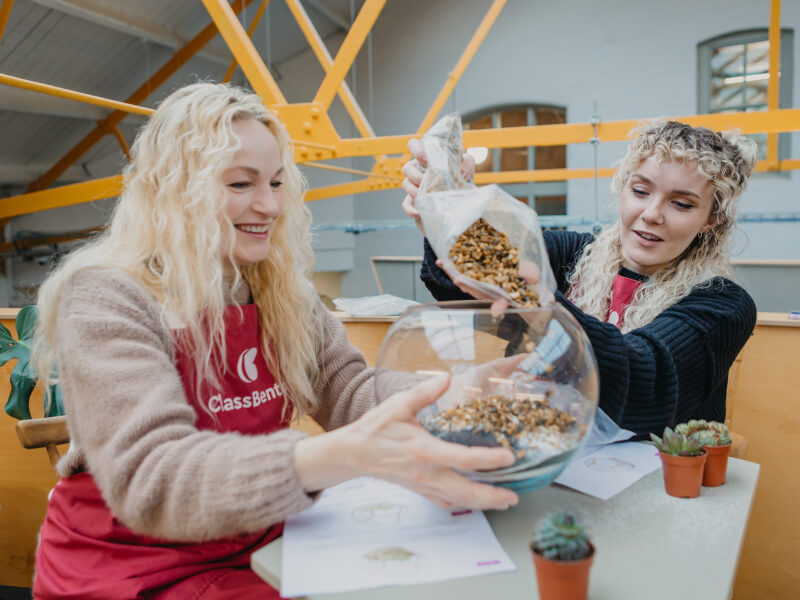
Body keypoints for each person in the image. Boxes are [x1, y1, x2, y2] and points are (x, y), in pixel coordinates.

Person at [31, 83, 518, 600]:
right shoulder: (109, 296)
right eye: (241, 184)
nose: (268, 205)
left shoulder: (277, 291)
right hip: (132, 563)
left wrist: (447, 395)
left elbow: (346, 386)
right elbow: (155, 476)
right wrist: (337, 456)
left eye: (277, 183)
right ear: (174, 189)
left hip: (253, 539)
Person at [402, 119, 758, 437]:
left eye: (681, 204)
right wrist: (447, 210)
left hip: (658, 484)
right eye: (640, 190)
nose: (651, 214)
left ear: (712, 219)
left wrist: (539, 303)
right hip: (541, 454)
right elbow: (461, 286)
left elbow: (645, 381)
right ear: (622, 188)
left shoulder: (723, 304)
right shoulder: (570, 254)